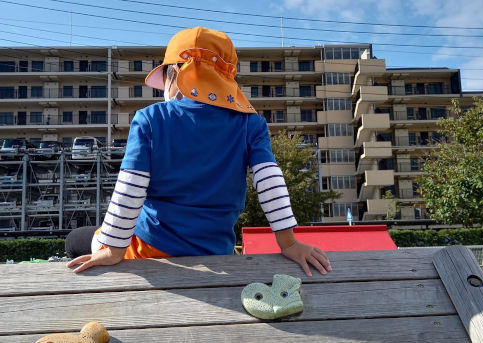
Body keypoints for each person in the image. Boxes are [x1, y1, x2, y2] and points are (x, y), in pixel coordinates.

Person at [66, 27, 331, 277]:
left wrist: (114, 249)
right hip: (216, 249)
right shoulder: (250, 123)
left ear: (175, 74)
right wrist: (288, 244)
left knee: (74, 239)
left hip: (151, 249)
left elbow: (130, 189)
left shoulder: (150, 119)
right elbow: (270, 183)